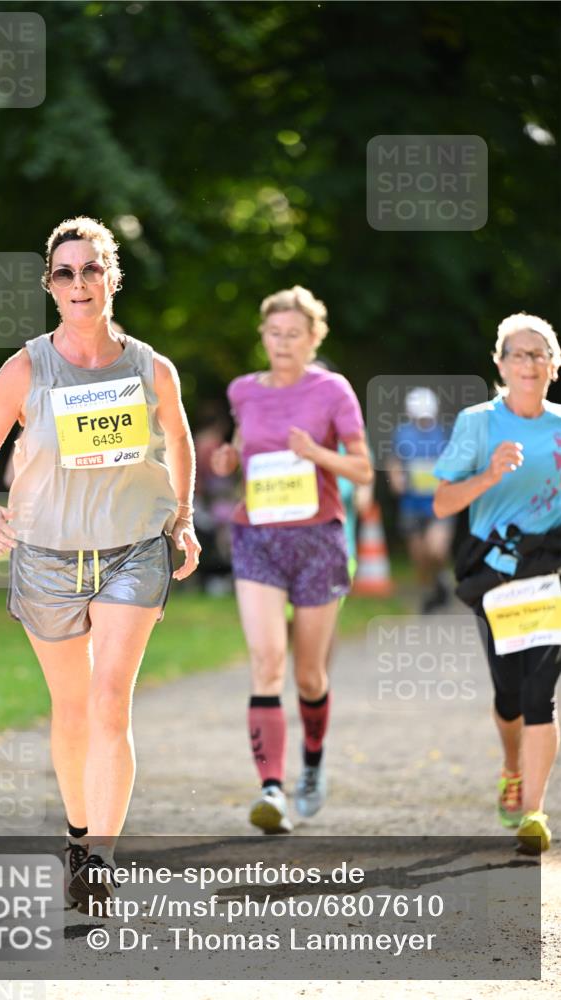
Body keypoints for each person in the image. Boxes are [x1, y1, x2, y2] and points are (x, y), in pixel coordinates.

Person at [0, 216, 201, 906]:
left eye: (90, 269)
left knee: (107, 701)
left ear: (111, 278)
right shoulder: (25, 367)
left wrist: (181, 519)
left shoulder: (150, 367)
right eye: (64, 272)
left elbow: (178, 443)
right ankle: (76, 833)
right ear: (50, 285)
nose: (78, 283)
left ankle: (99, 857)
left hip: (132, 548)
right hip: (45, 556)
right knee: (70, 710)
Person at [211, 286, 373, 833]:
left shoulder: (332, 391)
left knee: (308, 674)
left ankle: (313, 764)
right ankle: (272, 791)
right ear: (263, 336)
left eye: (293, 335)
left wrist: (316, 454)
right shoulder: (243, 391)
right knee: (266, 662)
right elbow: (243, 444)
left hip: (318, 543)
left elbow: (363, 470)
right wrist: (230, 455)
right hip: (257, 538)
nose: (282, 343)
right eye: (274, 334)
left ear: (313, 339)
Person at [433, 312, 561, 853]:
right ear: (499, 364)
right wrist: (489, 475)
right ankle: (511, 764)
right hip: (496, 577)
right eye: (517, 354)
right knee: (508, 694)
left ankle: (533, 810)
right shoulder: (478, 423)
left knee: (540, 694)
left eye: (538, 354)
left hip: (550, 576)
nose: (528, 363)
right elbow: (442, 501)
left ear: (554, 364)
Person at [387, 387, 454, 612]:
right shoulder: (402, 434)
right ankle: (433, 590)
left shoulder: (443, 434)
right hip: (411, 503)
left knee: (436, 549)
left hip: (438, 503)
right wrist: (396, 479)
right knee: (419, 554)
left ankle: (441, 576)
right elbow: (394, 461)